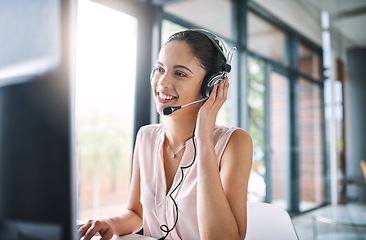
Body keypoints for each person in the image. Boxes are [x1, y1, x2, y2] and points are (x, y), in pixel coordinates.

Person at [79, 29, 253, 240]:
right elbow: (136, 214)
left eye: (179, 73)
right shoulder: (146, 137)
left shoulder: (234, 143)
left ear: (211, 85)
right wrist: (109, 223)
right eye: (159, 69)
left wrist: (204, 139)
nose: (162, 82)